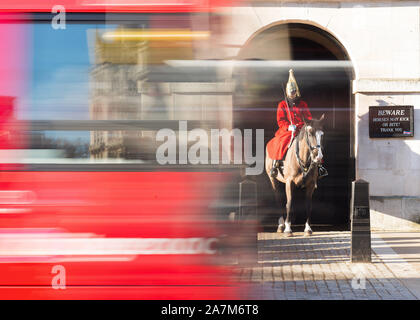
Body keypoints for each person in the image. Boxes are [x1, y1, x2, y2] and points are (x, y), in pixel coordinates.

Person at [267, 69, 328, 178]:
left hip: (302, 128)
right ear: (287, 92)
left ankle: (319, 166)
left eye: (294, 91)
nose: (292, 93)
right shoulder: (282, 104)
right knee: (282, 142)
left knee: (313, 141)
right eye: (291, 91)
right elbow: (280, 120)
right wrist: (288, 127)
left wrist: (308, 125)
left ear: (296, 91)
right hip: (289, 130)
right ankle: (276, 164)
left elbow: (308, 116)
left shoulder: (303, 104)